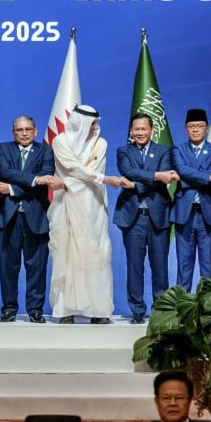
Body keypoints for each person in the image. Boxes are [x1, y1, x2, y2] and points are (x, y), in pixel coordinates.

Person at [47, 105, 131, 324]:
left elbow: (83, 173)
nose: (96, 128)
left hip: (92, 205)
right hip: (65, 204)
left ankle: (99, 310)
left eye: (96, 123)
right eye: (92, 124)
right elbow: (74, 168)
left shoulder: (100, 143)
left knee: (96, 254)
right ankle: (65, 310)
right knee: (67, 254)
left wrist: (65, 183)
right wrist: (104, 179)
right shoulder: (61, 141)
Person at [0, 116, 59, 323]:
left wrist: (12, 188)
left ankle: (35, 309)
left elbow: (46, 176)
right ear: (13, 133)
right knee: (7, 266)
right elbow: (5, 172)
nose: (24, 133)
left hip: (37, 217)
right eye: (19, 130)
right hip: (6, 218)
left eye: (28, 129)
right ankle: (9, 309)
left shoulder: (45, 150)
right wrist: (35, 179)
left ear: (35, 131)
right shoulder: (2, 149)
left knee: (37, 267)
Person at [114, 113, 176, 324]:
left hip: (159, 215)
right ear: (131, 131)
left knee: (160, 265)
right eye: (136, 129)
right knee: (135, 265)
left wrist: (136, 184)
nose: (139, 133)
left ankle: (161, 310)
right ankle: (137, 311)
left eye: (143, 129)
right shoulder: (123, 150)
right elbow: (128, 171)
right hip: (132, 217)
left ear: (151, 130)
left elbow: (161, 178)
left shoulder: (165, 150)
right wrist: (157, 175)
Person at [171, 109, 211, 291]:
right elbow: (181, 170)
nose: (195, 130)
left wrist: (188, 178)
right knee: (184, 266)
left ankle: (207, 311)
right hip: (184, 214)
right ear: (186, 129)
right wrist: (209, 177)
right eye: (191, 126)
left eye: (199, 126)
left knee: (209, 267)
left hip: (209, 213)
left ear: (207, 128)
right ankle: (182, 308)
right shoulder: (178, 149)